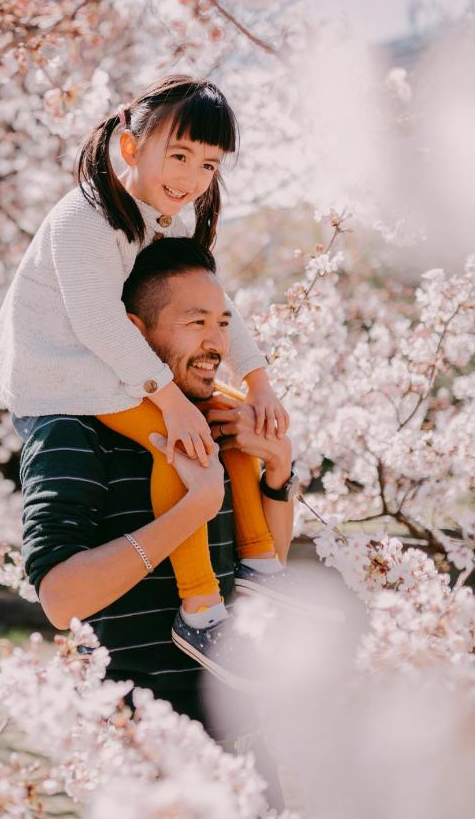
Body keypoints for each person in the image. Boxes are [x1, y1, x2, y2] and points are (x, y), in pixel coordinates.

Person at [0, 76, 297, 673]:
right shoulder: (87, 218)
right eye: (178, 156)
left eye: (208, 164)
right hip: (63, 382)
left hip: (113, 373)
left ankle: (259, 564)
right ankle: (202, 611)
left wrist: (258, 383)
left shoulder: (166, 222)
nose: (192, 177)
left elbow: (221, 305)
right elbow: (98, 323)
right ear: (130, 148)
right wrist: (172, 399)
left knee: (229, 414)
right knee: (180, 441)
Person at [18, 238, 297, 805]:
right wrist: (191, 507)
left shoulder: (213, 417)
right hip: (143, 756)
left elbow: (265, 569)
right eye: (195, 323)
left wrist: (277, 472)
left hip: (244, 747)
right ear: (133, 332)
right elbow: (60, 599)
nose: (216, 342)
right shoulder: (73, 429)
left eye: (223, 322)